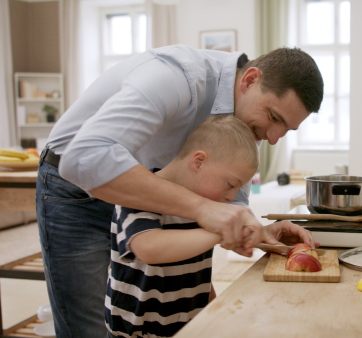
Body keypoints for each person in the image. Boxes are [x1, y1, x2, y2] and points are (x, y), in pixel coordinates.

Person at [36, 45, 323, 338]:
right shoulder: (176, 77)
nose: (274, 138)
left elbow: (229, 208)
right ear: (249, 80)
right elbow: (84, 159)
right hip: (73, 188)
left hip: (148, 186)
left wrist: (261, 233)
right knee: (87, 326)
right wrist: (201, 209)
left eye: (286, 130)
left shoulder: (248, 120)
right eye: (274, 118)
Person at [105, 115, 274, 337]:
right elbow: (149, 248)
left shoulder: (204, 205)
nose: (232, 197)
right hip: (133, 332)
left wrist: (215, 311)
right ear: (198, 161)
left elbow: (196, 276)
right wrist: (219, 232)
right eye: (231, 184)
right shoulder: (140, 194)